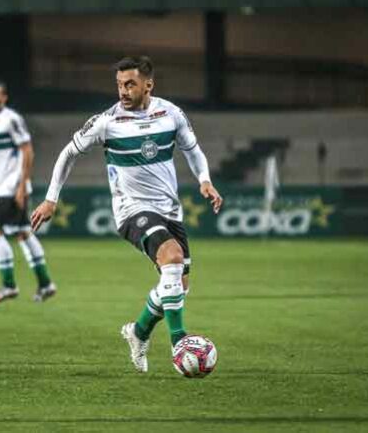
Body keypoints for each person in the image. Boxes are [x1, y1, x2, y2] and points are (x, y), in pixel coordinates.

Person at [30, 56, 223, 372]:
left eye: (130, 84)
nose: (123, 90)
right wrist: (51, 199)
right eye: (119, 84)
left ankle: (138, 332)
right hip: (131, 210)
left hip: (169, 210)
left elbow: (193, 150)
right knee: (172, 259)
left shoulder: (171, 114)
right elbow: (68, 153)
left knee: (176, 285)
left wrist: (205, 181)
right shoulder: (107, 121)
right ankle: (180, 344)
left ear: (149, 84)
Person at [0, 80, 56, 303]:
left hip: (12, 186)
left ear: (4, 97)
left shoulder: (12, 119)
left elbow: (27, 151)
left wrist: (21, 185)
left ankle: (9, 286)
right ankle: (46, 284)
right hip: (1, 187)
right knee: (22, 233)